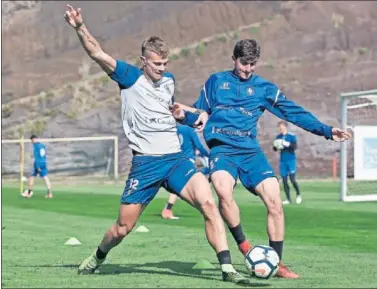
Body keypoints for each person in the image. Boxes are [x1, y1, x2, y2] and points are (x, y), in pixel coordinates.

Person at [64, 4, 249, 284]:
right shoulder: (129, 77)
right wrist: (79, 27)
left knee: (208, 204)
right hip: (146, 164)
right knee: (123, 228)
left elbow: (171, 112)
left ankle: (227, 269)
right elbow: (96, 52)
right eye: (156, 64)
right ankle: (98, 256)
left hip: (175, 159)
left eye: (165, 64)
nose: (162, 69)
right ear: (143, 61)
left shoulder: (169, 81)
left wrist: (185, 117)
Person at [173, 39, 352, 279]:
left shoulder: (264, 88)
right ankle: (245, 247)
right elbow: (199, 113)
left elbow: (294, 112)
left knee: (275, 200)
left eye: (252, 64)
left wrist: (327, 131)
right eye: (243, 63)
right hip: (223, 151)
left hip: (250, 152)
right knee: (223, 190)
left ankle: (276, 263)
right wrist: (182, 116)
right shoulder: (216, 82)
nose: (247, 69)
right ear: (233, 59)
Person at [161, 124, 210, 220]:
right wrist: (210, 155)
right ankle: (167, 210)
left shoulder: (172, 128)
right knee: (184, 186)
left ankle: (205, 208)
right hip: (187, 162)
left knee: (181, 185)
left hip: (174, 160)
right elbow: (199, 146)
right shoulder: (188, 130)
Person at [273, 121, 301, 205]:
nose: (281, 128)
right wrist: (276, 146)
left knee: (292, 180)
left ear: (285, 127)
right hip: (282, 161)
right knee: (284, 181)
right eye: (279, 127)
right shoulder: (278, 137)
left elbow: (294, 147)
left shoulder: (291, 136)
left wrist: (286, 144)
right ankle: (288, 199)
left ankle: (298, 194)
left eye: (282, 126)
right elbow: (275, 149)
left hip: (291, 160)